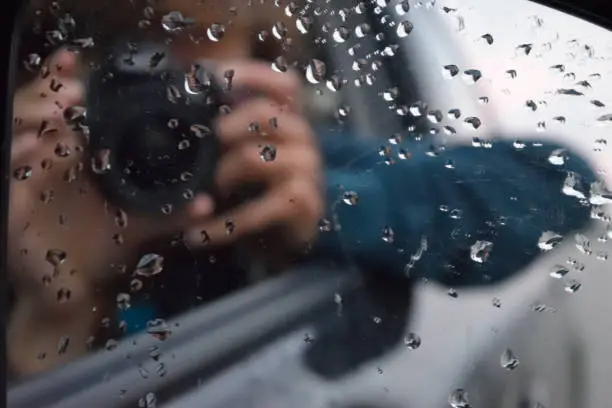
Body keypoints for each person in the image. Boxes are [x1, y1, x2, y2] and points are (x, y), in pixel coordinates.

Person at [7, 0, 596, 378]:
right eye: (137, 68)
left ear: (269, 74)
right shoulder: (37, 183)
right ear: (69, 79)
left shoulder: (299, 164)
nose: (164, 117)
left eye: (198, 81)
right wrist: (55, 303)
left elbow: (561, 179)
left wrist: (327, 206)